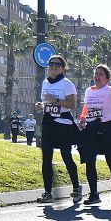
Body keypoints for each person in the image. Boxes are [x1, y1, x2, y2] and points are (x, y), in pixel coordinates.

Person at [35, 55, 82, 204]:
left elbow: (72, 104)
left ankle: (76, 188)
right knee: (46, 158)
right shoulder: (45, 82)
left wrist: (54, 100)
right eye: (51, 64)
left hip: (63, 123)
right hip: (48, 122)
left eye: (57, 64)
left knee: (66, 156)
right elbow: (46, 102)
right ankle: (47, 193)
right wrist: (41, 106)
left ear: (63, 67)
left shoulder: (66, 83)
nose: (54, 67)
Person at [78, 64, 111, 206]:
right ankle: (94, 194)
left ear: (106, 78)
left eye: (100, 74)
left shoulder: (110, 90)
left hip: (107, 128)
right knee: (89, 161)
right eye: (96, 73)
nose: (97, 76)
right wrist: (82, 118)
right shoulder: (88, 91)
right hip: (92, 127)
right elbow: (86, 106)